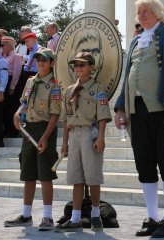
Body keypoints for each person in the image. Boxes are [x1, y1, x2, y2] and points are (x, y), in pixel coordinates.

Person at [114, 0, 164, 238]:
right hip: (136, 110)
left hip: (163, 108)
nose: (142, 16)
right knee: (144, 164)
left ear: (158, 12)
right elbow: (127, 75)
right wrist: (119, 107)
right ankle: (152, 217)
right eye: (139, 13)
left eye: (146, 11)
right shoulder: (136, 41)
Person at [4, 48, 62, 231]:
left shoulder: (54, 85)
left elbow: (55, 114)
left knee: (45, 174)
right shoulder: (30, 81)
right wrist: (17, 113)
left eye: (44, 60)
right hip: (29, 130)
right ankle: (26, 214)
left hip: (45, 129)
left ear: (52, 63)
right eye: (38, 60)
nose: (40, 63)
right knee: (27, 172)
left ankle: (47, 217)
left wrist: (45, 136)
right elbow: (24, 102)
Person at [55, 51, 112, 233]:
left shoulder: (98, 90)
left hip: (90, 134)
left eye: (82, 64)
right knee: (76, 178)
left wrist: (101, 137)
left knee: (93, 177)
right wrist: (64, 143)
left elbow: (102, 117)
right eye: (76, 65)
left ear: (91, 67)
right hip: (74, 135)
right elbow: (65, 120)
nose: (78, 68)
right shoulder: (70, 91)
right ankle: (76, 217)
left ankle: (95, 214)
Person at [1, 36, 22, 137]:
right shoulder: (3, 56)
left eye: (3, 45)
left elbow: (16, 73)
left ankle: (13, 131)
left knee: (11, 107)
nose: (2, 47)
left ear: (10, 46)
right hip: (3, 82)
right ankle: (6, 129)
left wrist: (12, 87)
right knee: (4, 108)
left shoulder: (16, 56)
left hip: (11, 82)